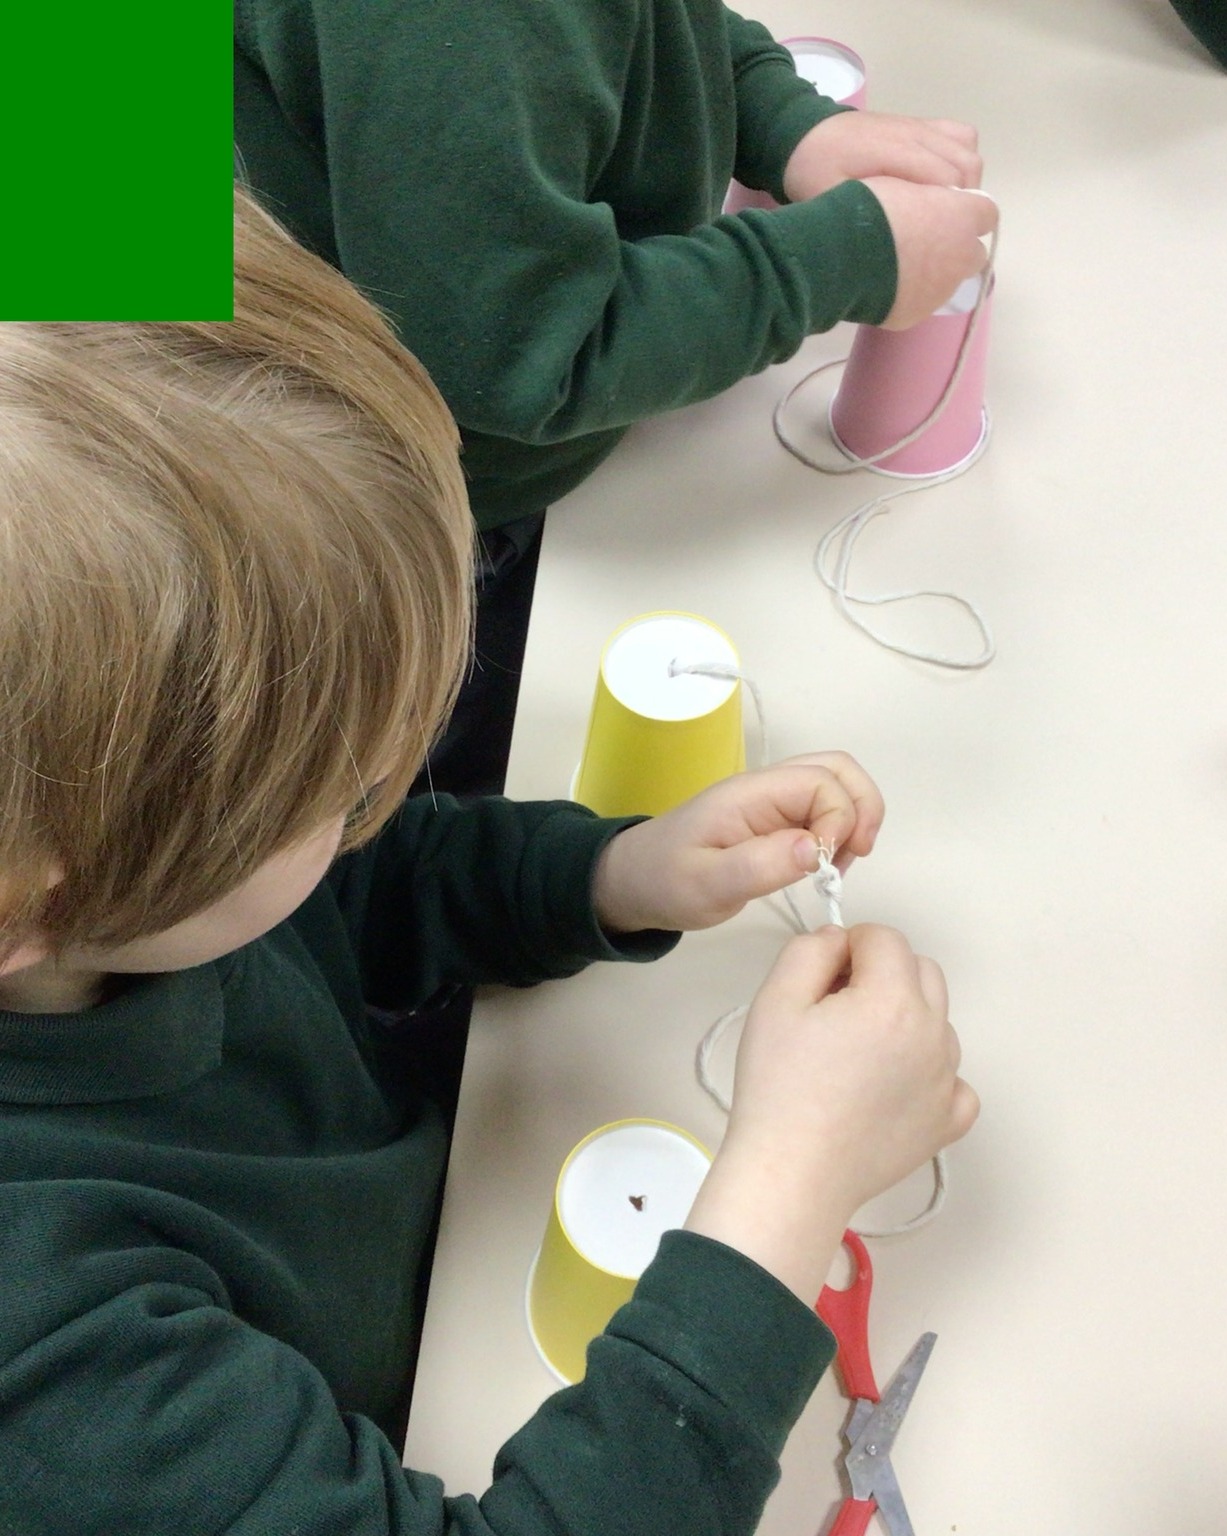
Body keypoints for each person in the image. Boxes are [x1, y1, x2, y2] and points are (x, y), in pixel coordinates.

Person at [0, 188, 978, 1536]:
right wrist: (791, 1188)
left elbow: (340, 894)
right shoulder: (51, 1370)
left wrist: (609, 875)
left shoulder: (102, 869)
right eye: (330, 793)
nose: (375, 801)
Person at [233, 0, 998, 798]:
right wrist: (836, 261)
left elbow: (647, 38)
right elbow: (522, 353)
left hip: (240, 379)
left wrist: (780, 116)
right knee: (404, 804)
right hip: (378, 514)